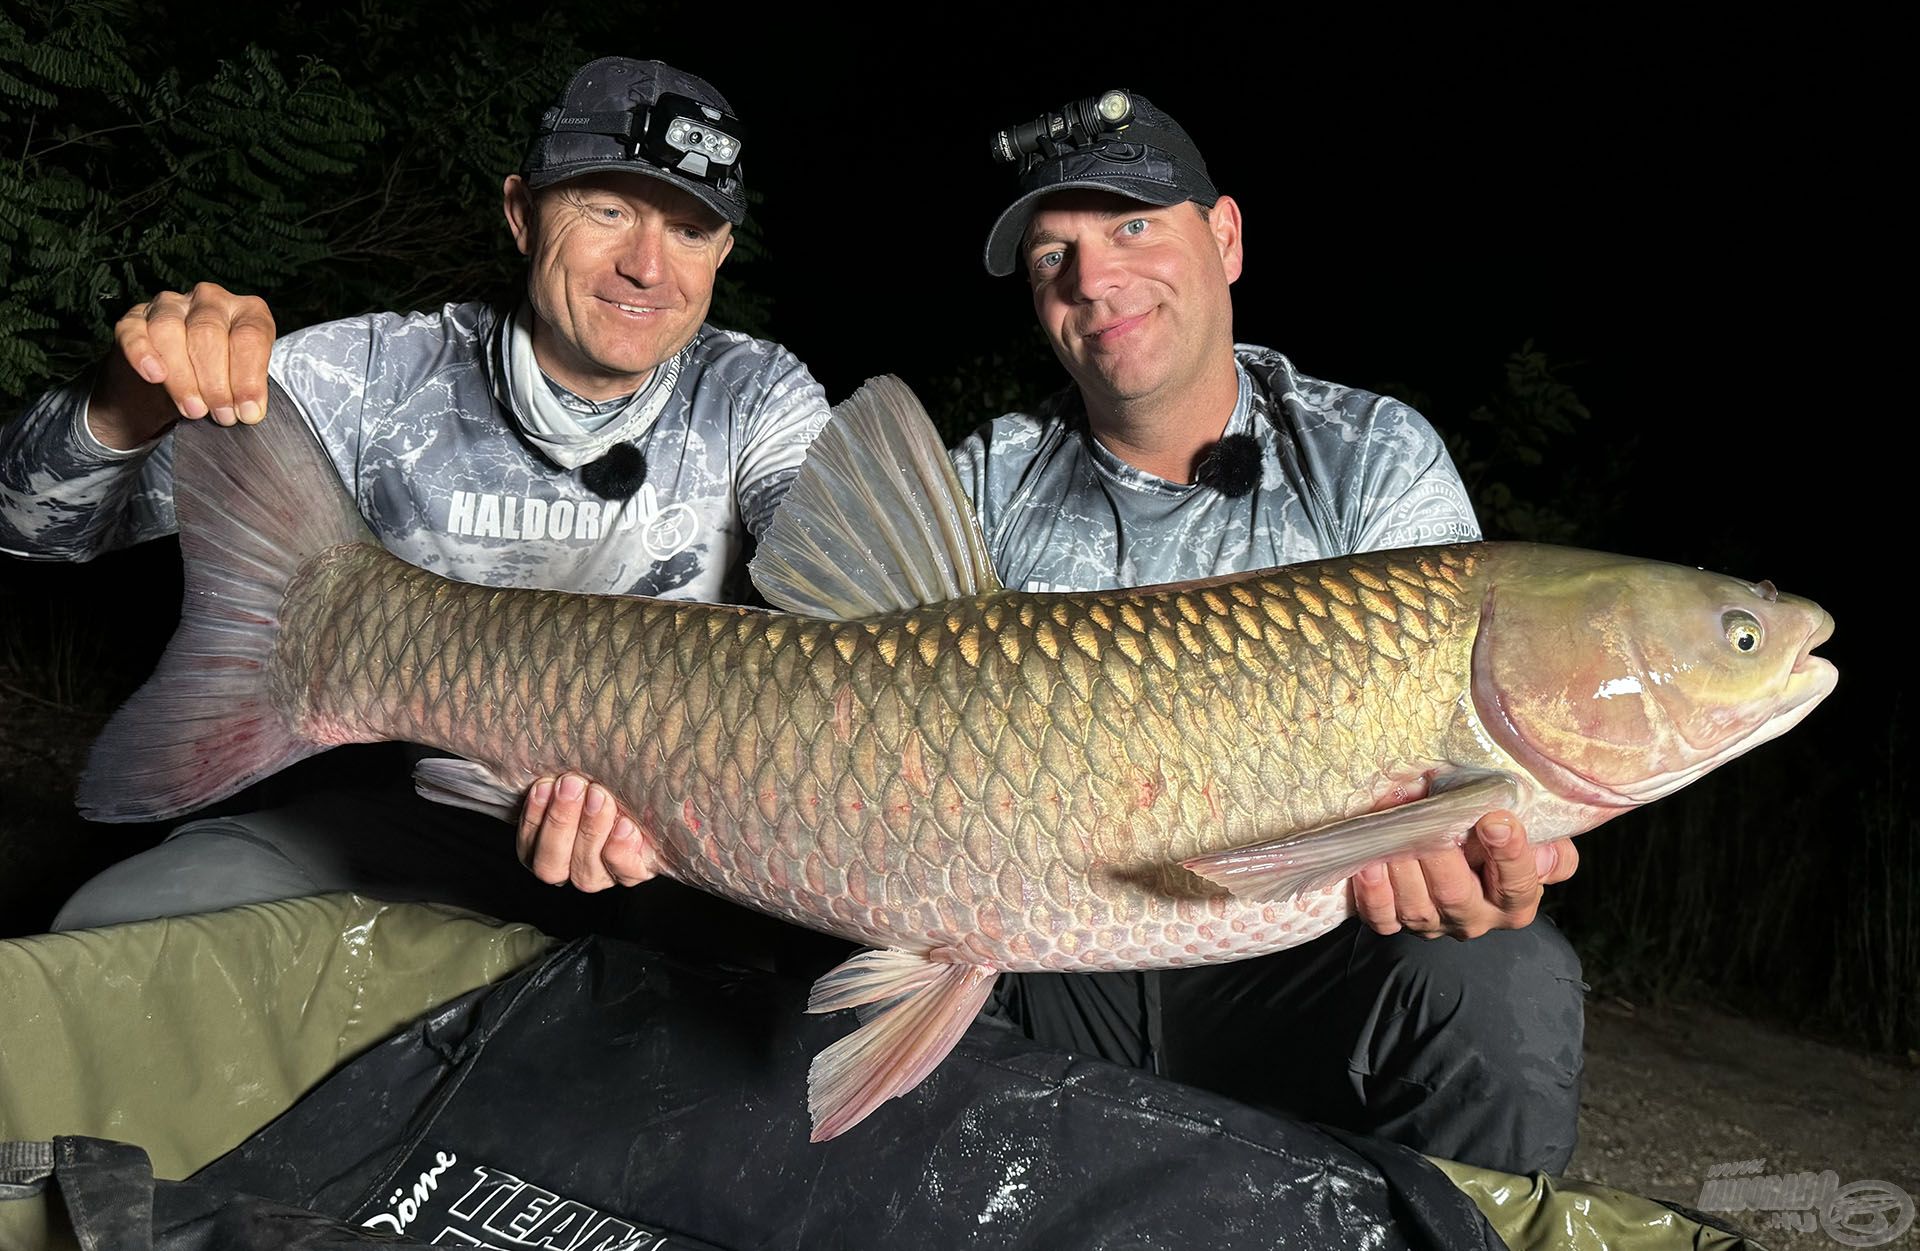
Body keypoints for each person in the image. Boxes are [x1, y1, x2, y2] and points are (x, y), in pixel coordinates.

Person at [0, 56, 833, 945]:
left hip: (693, 846)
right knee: (111, 926)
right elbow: (28, 531)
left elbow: (845, 606)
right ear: (521, 213)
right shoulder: (377, 377)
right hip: (420, 818)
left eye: (692, 229)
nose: (646, 266)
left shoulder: (756, 397)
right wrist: (131, 401)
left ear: (723, 253)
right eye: (608, 208)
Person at [941, 88, 1587, 1177]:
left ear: (1226, 238)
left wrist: (1473, 865)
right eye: (1055, 254)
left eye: (1134, 226)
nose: (1094, 280)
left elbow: (1454, 802)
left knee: (1505, 979)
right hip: (1043, 953)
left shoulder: (1368, 458)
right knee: (806, 976)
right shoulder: (985, 482)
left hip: (1291, 967)